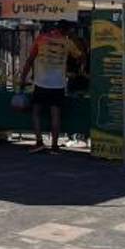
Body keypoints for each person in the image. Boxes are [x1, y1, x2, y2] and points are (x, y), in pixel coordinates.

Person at [18, 21, 83, 153]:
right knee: (55, 115)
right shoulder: (67, 42)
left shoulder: (41, 39)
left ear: (55, 28)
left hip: (41, 83)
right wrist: (75, 70)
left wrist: (23, 79)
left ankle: (39, 142)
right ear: (67, 31)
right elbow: (81, 56)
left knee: (36, 112)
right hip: (58, 84)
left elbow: (29, 60)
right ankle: (54, 145)